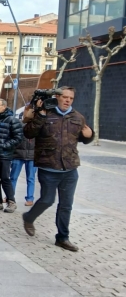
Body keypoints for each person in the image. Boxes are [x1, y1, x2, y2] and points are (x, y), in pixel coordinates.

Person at [22, 87, 93, 251]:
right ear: (57, 97)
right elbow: (29, 133)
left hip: (70, 169)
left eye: (71, 98)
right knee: (47, 200)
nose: (68, 100)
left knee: (66, 205)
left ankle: (62, 237)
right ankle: (29, 217)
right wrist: (40, 115)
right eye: (64, 97)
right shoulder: (45, 113)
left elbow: (84, 137)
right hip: (48, 167)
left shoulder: (77, 117)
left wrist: (90, 136)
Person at [10, 130, 36, 206]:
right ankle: (10, 197)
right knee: (13, 177)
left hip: (32, 156)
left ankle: (30, 198)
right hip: (18, 155)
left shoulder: (38, 125)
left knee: (31, 179)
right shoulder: (19, 124)